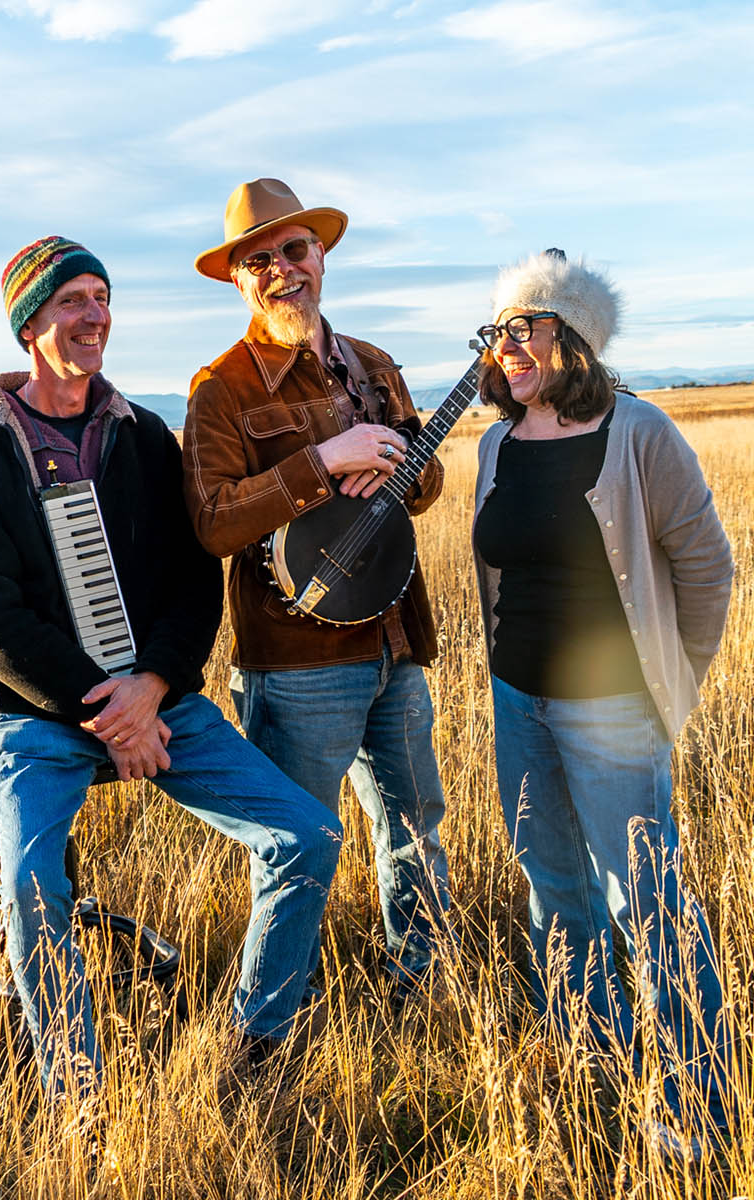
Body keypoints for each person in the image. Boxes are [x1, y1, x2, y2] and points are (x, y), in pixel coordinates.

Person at [0, 235, 340, 1106]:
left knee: (308, 837)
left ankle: (250, 1048)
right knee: (31, 888)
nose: (94, 316)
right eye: (72, 300)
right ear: (29, 322)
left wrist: (149, 688)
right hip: (36, 712)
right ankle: (76, 1094)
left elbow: (195, 584)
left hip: (155, 696)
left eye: (101, 297)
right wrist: (106, 711)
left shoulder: (144, 438)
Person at [470, 249, 735, 1159]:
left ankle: (696, 1107)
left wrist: (671, 682)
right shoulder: (494, 445)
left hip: (612, 705)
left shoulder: (640, 433)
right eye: (495, 331)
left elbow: (706, 567)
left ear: (572, 340)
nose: (503, 347)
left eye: (521, 329)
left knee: (646, 901)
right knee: (555, 892)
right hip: (518, 701)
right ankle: (599, 1066)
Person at [180, 179, 450, 989]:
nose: (281, 269)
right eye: (258, 259)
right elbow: (213, 522)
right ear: (238, 279)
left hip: (396, 640)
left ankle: (423, 980)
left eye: (294, 249)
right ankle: (269, 1025)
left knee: (415, 828)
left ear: (321, 254)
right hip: (296, 665)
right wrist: (322, 465)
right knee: (299, 847)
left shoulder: (372, 365)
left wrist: (404, 466)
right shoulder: (219, 388)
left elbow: (428, 482)